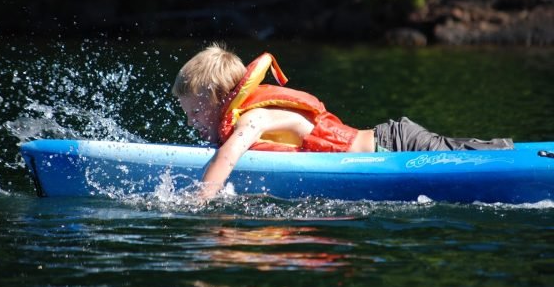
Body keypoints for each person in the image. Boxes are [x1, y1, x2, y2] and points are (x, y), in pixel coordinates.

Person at [172, 43, 513, 199]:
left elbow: (229, 156)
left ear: (221, 99)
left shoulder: (256, 116)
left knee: (479, 157)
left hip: (396, 144)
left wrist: (201, 197)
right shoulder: (241, 119)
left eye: (196, 112)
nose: (191, 122)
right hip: (388, 147)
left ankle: (520, 157)